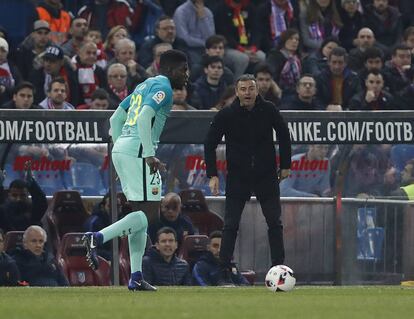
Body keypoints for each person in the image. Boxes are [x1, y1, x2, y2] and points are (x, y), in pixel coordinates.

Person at [82, 49, 189, 291]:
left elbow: (114, 120)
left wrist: (120, 150)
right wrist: (149, 154)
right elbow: (143, 118)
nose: (186, 75)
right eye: (183, 70)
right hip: (140, 152)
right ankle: (97, 238)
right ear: (170, 70)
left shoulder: (143, 85)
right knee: (150, 215)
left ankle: (136, 276)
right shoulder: (165, 89)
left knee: (139, 218)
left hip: (123, 148)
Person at [204, 74, 291, 271]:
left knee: (275, 223)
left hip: (266, 175)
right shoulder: (227, 114)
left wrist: (285, 164)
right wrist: (213, 174)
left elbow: (284, 134)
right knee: (230, 225)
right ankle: (223, 272)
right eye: (243, 89)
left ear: (257, 90)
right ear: (237, 92)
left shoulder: (269, 109)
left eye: (251, 89)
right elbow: (209, 143)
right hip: (238, 176)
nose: (247, 93)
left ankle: (279, 268)